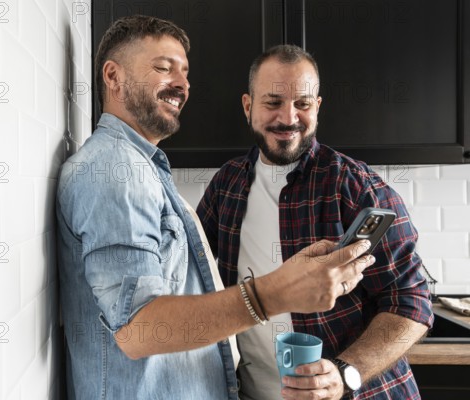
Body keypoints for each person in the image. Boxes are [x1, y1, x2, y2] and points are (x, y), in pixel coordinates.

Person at [57, 16, 375, 400]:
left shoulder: (145, 169)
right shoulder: (116, 171)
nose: (182, 84)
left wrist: (347, 372)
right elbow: (139, 329)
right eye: (163, 67)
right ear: (113, 77)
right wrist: (275, 293)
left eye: (185, 72)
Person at [196, 44, 434, 400]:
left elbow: (413, 300)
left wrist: (345, 373)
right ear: (248, 106)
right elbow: (190, 279)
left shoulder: (356, 187)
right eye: (273, 102)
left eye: (302, 104)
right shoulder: (226, 187)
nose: (288, 118)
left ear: (317, 108)